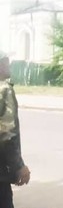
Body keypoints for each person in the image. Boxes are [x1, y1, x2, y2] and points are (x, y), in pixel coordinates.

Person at [0, 51, 30, 208]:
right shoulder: (4, 90)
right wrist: (18, 166)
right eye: (6, 61)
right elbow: (6, 134)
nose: (9, 64)